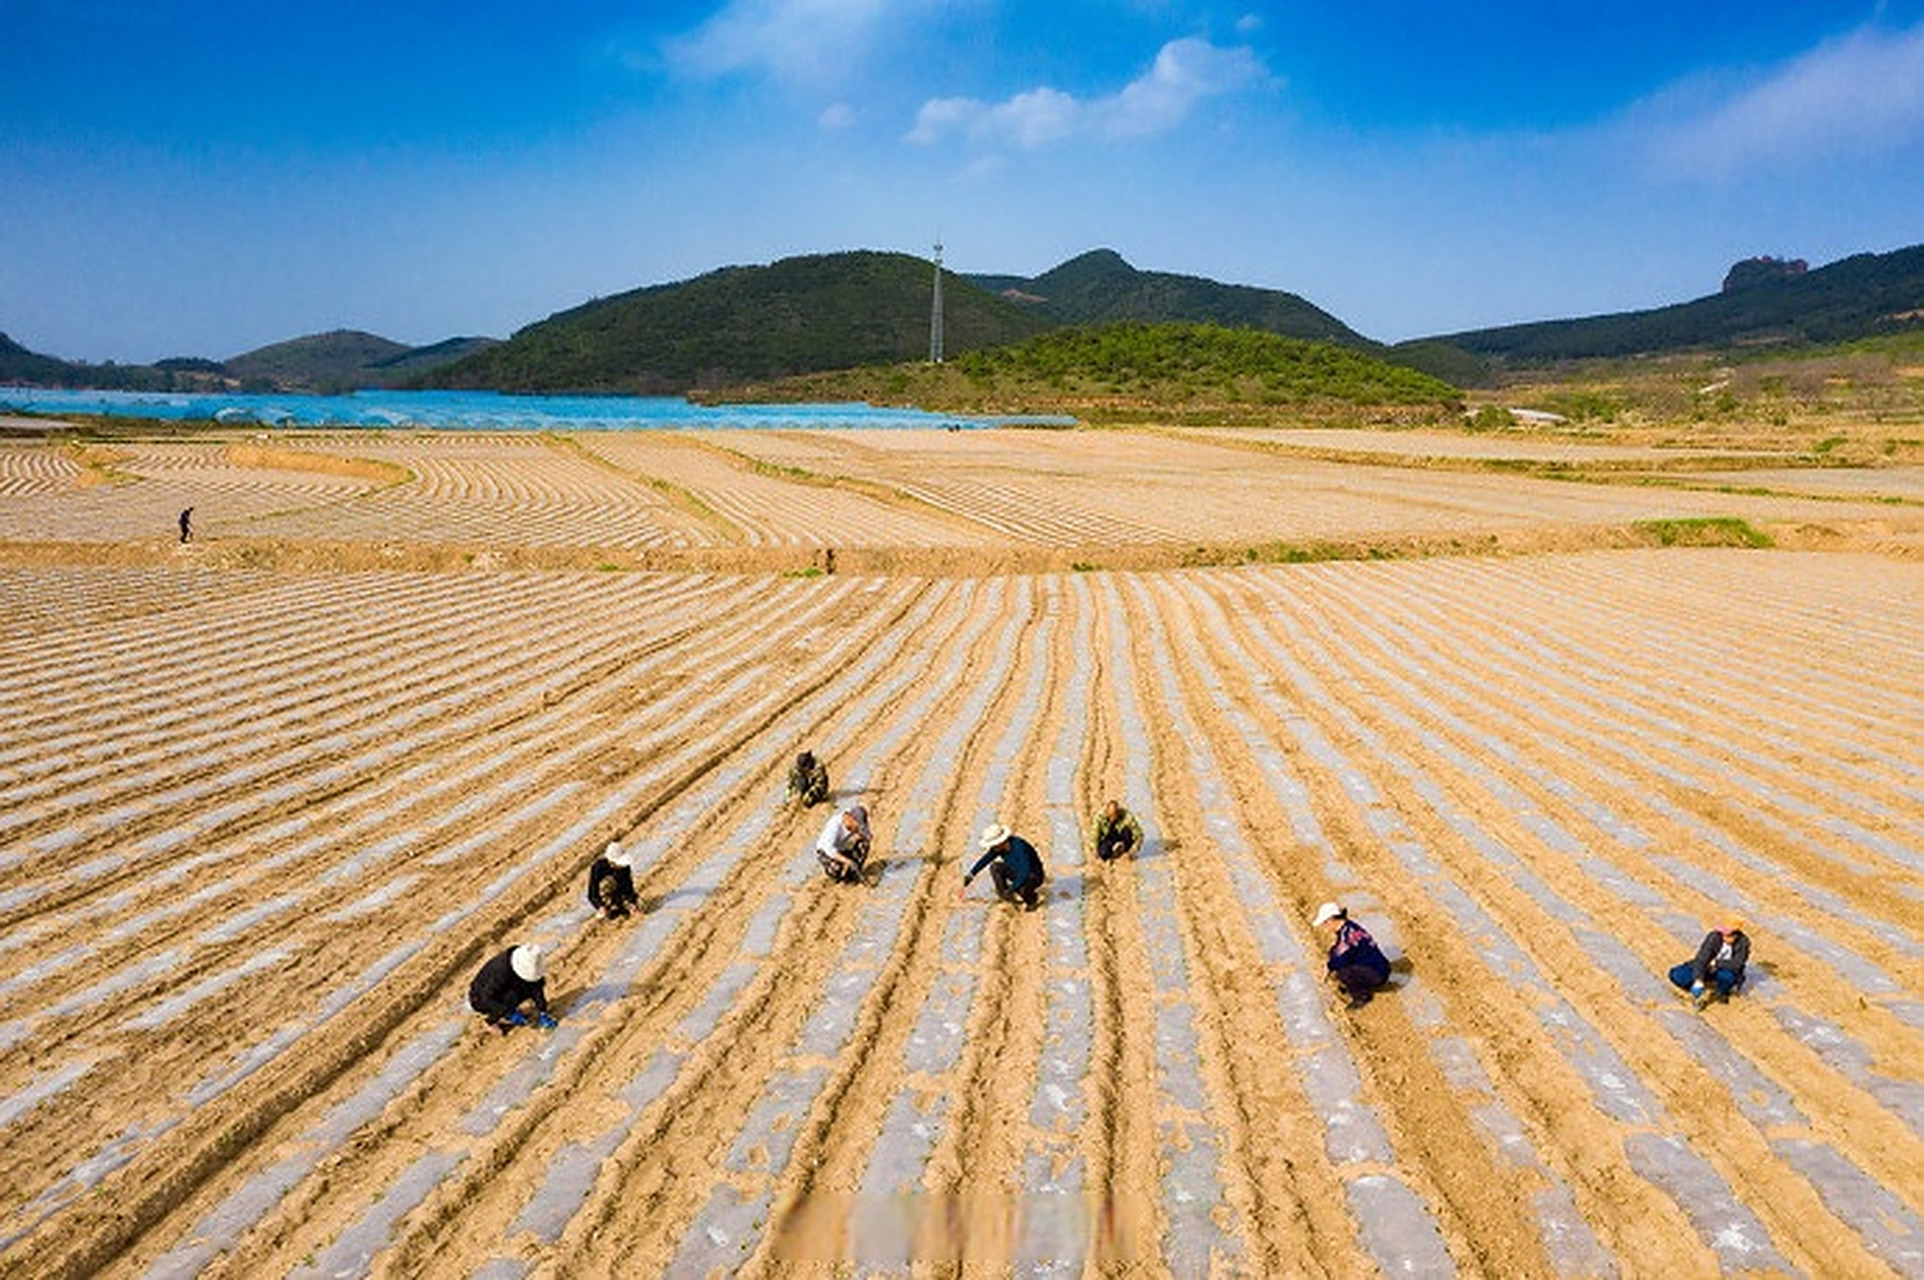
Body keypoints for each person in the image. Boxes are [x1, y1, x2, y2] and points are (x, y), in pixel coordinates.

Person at [468, 943, 558, 1034]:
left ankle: (508, 1010)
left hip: (505, 987)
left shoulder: (529, 960)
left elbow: (536, 987)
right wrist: (508, 1013)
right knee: (512, 998)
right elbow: (487, 998)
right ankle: (490, 1022)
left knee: (526, 988)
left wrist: (542, 1010)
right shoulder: (501, 972)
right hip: (480, 997)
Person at [1314, 902, 1391, 1006]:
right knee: (1335, 954)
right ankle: (1358, 984)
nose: (1325, 927)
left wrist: (1329, 967)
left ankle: (1362, 996)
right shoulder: (1350, 926)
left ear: (1331, 920)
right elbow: (1339, 950)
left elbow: (1340, 961)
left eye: (1325, 923)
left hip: (1377, 973)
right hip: (1380, 967)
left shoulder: (1346, 936)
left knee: (1343, 972)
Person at [961, 821, 1045, 910]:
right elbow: (985, 860)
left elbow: (1025, 871)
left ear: (1001, 842)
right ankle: (1005, 896)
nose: (991, 848)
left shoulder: (1019, 847)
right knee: (995, 867)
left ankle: (1032, 900)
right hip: (1016, 871)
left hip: (1033, 875)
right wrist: (971, 875)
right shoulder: (998, 848)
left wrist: (1012, 888)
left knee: (1022, 889)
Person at [1669, 917, 1750, 1009]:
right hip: (1706, 968)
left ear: (1736, 935)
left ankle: (1722, 991)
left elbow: (1737, 964)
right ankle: (1698, 986)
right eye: (1723, 934)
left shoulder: (1743, 943)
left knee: (1727, 977)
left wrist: (1716, 963)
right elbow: (1702, 958)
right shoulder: (1714, 937)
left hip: (1723, 970)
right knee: (1677, 975)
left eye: (1728, 935)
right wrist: (1698, 979)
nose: (1724, 937)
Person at [815, 804, 871, 883]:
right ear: (850, 819)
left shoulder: (854, 821)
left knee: (863, 844)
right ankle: (840, 878)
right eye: (857, 825)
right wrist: (848, 861)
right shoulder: (834, 825)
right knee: (836, 869)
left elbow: (868, 836)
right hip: (826, 853)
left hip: (842, 847)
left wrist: (860, 837)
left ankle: (854, 872)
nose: (857, 828)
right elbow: (829, 849)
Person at [587, 840, 639, 919]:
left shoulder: (624, 867)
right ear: (611, 862)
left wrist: (632, 902)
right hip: (604, 894)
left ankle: (620, 905)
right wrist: (600, 906)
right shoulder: (598, 868)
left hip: (620, 893)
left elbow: (628, 885)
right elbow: (592, 893)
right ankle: (608, 908)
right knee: (608, 882)